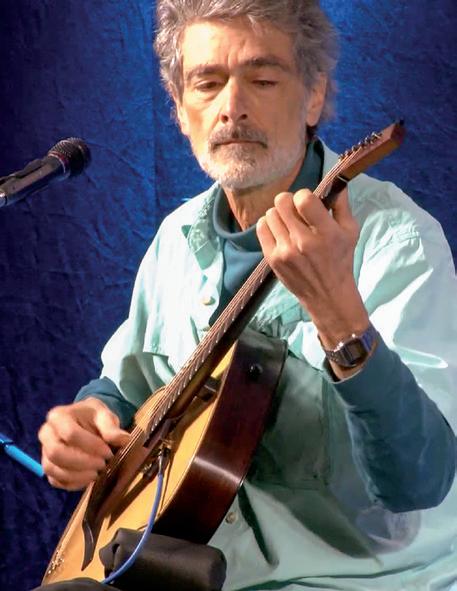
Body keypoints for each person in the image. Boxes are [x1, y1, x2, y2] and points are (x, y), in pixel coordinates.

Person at [37, 1, 457, 590]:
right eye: (207, 83)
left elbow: (420, 481)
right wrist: (85, 419)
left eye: (262, 80)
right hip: (194, 567)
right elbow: (127, 387)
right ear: (179, 108)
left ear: (314, 96)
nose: (231, 107)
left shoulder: (396, 241)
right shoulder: (176, 239)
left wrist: (340, 317)